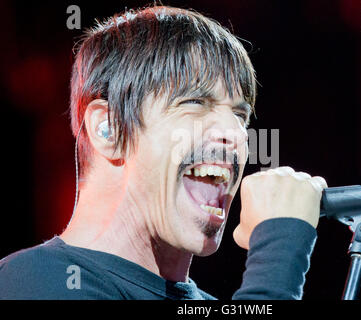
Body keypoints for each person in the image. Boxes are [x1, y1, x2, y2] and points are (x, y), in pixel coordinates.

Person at [0, 5, 327, 300]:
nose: (236, 135)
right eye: (195, 102)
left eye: (240, 116)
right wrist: (277, 256)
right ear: (109, 129)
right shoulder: (32, 282)